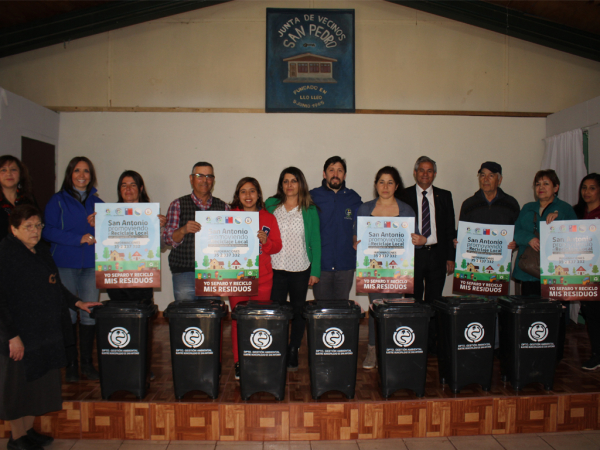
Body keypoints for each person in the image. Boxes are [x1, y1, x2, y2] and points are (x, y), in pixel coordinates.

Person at [0, 205, 100, 450]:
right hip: (18, 332)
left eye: (38, 226)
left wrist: (77, 302)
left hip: (43, 332)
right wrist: (11, 336)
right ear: (14, 229)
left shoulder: (41, 252)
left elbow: (55, 286)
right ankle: (16, 438)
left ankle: (27, 431)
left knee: (37, 384)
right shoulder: (6, 254)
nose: (35, 231)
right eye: (28, 227)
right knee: (18, 385)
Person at [353, 166, 427, 369]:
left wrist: (421, 240)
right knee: (376, 310)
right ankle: (372, 351)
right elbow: (356, 235)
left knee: (394, 312)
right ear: (376, 185)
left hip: (398, 274)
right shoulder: (365, 209)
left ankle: (393, 350)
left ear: (396, 186)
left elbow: (417, 240)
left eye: (390, 182)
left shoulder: (406, 210)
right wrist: (356, 243)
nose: (385, 186)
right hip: (373, 273)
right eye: (381, 182)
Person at [42, 157, 104, 382]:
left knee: (89, 314)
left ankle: (87, 364)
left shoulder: (99, 203)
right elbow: (47, 231)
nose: (82, 175)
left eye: (86, 171)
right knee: (67, 314)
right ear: (70, 174)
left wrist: (101, 227)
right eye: (77, 170)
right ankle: (70, 364)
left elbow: (110, 233)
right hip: (64, 263)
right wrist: (78, 238)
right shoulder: (57, 201)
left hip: (91, 265)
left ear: (91, 175)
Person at [266, 167, 321, 371]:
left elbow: (315, 240)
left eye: (294, 181)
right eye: (286, 181)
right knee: (277, 312)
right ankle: (277, 349)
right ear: (281, 184)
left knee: (298, 312)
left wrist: (315, 270)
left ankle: (293, 349)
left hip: (300, 267)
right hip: (275, 267)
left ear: (301, 184)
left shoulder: (309, 208)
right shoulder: (271, 205)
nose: (289, 185)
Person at [228, 177, 282, 380]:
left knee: (259, 320)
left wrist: (266, 242)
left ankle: (258, 357)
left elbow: (277, 246)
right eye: (243, 191)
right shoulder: (229, 216)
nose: (248, 195)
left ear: (258, 194)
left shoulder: (268, 217)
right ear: (238, 195)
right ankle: (238, 362)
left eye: (252, 191)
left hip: (264, 278)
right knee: (237, 320)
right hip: (237, 278)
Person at [404, 156, 456, 353]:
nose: (425, 174)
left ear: (434, 174)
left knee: (434, 301)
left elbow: (450, 229)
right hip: (413, 257)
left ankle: (431, 343)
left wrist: (450, 257)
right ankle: (413, 338)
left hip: (437, 255)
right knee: (413, 300)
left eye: (429, 171)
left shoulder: (445, 196)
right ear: (415, 173)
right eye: (421, 170)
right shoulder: (404, 194)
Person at [162, 162, 230, 301]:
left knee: (211, 316)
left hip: (214, 273)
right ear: (191, 178)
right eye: (200, 176)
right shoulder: (178, 204)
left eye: (209, 176)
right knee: (186, 316)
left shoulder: (224, 207)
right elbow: (167, 239)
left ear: (213, 180)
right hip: (184, 271)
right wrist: (183, 230)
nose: (205, 180)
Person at [106, 170, 167, 302]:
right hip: (117, 277)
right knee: (119, 317)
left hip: (142, 276)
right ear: (119, 189)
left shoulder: (151, 214)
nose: (128, 189)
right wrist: (97, 225)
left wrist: (161, 227)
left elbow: (162, 245)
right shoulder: (109, 215)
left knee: (140, 317)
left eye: (133, 185)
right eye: (124, 185)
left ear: (140, 188)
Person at [514, 169, 577, 294]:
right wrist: (528, 238)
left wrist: (559, 221)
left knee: (554, 311)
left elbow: (576, 236)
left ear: (556, 188)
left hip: (556, 273)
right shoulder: (528, 207)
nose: (541, 187)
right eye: (538, 184)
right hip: (529, 272)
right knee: (530, 310)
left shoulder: (565, 209)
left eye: (546, 184)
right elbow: (515, 231)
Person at [310, 156, 362, 300]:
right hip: (321, 265)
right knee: (321, 310)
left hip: (346, 264)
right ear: (324, 173)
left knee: (341, 311)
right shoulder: (312, 197)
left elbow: (363, 225)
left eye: (339, 171)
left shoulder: (354, 198)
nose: (335, 174)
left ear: (344, 175)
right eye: (331, 170)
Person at [572, 173, 600, 370]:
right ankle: (596, 355)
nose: (587, 192)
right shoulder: (576, 213)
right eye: (584, 188)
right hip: (583, 274)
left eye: (592, 188)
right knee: (591, 315)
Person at [459, 162, 521, 226]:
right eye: (483, 175)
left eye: (491, 176)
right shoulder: (468, 204)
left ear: (499, 180)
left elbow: (518, 231)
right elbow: (462, 233)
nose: (486, 179)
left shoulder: (511, 204)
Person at [0, 156, 36, 242]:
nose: (9, 174)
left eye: (13, 170)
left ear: (20, 174)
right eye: (3, 170)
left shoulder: (28, 199)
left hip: (24, 251)